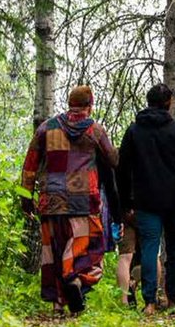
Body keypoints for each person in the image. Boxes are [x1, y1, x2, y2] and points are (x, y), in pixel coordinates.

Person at [20, 85, 121, 316]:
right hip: (83, 201)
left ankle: (57, 304)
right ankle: (74, 279)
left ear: (70, 103)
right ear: (90, 104)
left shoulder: (47, 128)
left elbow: (30, 166)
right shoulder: (95, 130)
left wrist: (26, 198)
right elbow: (113, 160)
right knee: (89, 251)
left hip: (51, 200)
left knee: (54, 252)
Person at [117, 83, 175, 315]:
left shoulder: (134, 131)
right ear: (168, 103)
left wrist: (126, 204)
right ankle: (174, 301)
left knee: (150, 248)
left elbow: (123, 170)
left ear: (148, 101)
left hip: (145, 201)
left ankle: (150, 303)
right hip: (174, 203)